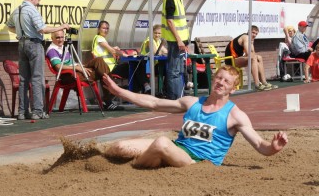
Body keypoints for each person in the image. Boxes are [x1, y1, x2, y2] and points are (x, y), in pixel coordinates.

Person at [101, 65, 288, 168]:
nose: (221, 83)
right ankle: (102, 157)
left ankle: (134, 168)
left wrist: (273, 147)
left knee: (161, 143)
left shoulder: (236, 115)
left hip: (197, 161)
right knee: (120, 147)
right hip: (178, 149)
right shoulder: (192, 102)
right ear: (213, 79)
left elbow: (260, 146)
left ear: (233, 88)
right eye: (218, 78)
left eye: (226, 81)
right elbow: (154, 103)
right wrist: (118, 91)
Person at [6, 0, 70, 120]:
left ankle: (22, 112)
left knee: (23, 79)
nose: (38, 3)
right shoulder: (32, 10)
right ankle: (37, 111)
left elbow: (9, 26)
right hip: (34, 44)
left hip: (22, 44)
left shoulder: (17, 10)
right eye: (38, 0)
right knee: (37, 78)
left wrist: (21, 33)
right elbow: (42, 29)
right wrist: (61, 27)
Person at [46, 30, 124, 111]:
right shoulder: (52, 49)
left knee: (99, 61)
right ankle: (110, 96)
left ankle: (109, 96)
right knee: (101, 72)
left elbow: (72, 63)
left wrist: (81, 67)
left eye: (62, 37)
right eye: (57, 37)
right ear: (52, 38)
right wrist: (77, 68)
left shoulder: (63, 47)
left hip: (76, 70)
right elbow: (58, 67)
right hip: (68, 76)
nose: (60, 39)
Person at [92, 21, 151, 94]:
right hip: (109, 69)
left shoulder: (100, 39)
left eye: (107, 28)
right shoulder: (99, 38)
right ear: (98, 29)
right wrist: (125, 55)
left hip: (110, 67)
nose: (106, 30)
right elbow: (112, 51)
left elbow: (107, 50)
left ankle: (141, 89)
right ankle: (142, 88)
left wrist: (114, 48)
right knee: (135, 66)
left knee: (136, 66)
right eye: (103, 28)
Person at [162, 0, 190, 100]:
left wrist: (185, 41)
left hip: (180, 40)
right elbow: (170, 20)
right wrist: (179, 40)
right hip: (174, 40)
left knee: (178, 70)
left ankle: (178, 96)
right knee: (174, 71)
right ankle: (175, 98)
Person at [224, 25, 278, 91]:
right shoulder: (246, 37)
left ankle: (264, 82)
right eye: (253, 32)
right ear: (249, 31)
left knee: (259, 58)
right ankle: (257, 84)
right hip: (231, 60)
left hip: (237, 59)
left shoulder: (251, 40)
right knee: (253, 58)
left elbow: (253, 53)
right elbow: (248, 53)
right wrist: (252, 54)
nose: (254, 35)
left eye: (256, 34)